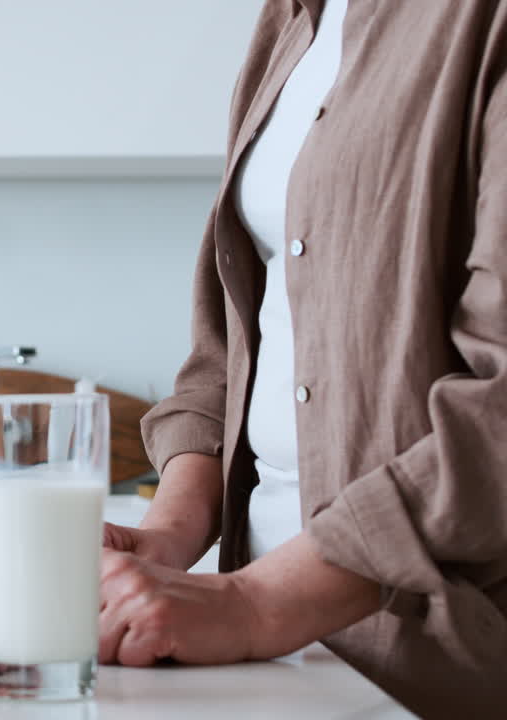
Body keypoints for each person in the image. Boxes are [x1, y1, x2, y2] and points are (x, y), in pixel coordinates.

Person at [99, 1, 507, 717]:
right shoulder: (292, 18)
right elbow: (228, 343)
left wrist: (257, 603)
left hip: (428, 664)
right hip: (251, 652)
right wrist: (168, 535)